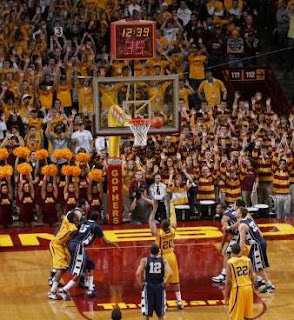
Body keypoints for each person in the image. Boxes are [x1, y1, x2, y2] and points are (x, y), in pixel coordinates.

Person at [58, 211, 119, 300]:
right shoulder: (96, 226)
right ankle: (64, 290)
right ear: (98, 219)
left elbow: (73, 232)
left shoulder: (83, 222)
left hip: (73, 244)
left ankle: (90, 289)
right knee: (79, 273)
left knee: (90, 264)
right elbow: (105, 241)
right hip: (78, 246)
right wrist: (114, 244)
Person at [148, 202, 184, 309]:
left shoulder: (159, 233)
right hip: (172, 256)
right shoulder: (173, 230)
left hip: (163, 257)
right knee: (176, 280)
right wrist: (171, 207)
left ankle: (163, 303)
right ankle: (179, 301)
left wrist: (154, 210)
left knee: (162, 281)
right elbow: (174, 219)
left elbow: (150, 221)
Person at [237, 207, 275, 293]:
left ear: (240, 214)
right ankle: (260, 280)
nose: (235, 212)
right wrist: (261, 238)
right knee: (251, 262)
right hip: (259, 242)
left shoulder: (242, 225)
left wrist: (239, 253)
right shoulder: (249, 218)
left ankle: (269, 285)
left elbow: (242, 240)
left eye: (237, 211)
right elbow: (257, 229)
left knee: (258, 267)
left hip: (257, 244)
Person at [48, 208, 82, 300]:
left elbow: (65, 215)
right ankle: (52, 291)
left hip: (61, 244)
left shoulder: (66, 218)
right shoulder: (73, 228)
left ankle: (53, 280)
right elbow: (72, 238)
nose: (79, 218)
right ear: (74, 219)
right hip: (57, 245)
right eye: (78, 217)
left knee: (65, 266)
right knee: (61, 268)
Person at [212, 199, 246, 283]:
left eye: (218, 208)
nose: (216, 210)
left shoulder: (224, 217)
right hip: (241, 233)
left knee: (227, 253)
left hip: (239, 233)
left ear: (222, 209)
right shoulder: (231, 211)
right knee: (236, 254)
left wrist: (222, 245)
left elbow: (225, 233)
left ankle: (224, 275)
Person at [136, 244, 172, 320]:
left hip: (149, 286)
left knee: (147, 313)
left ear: (150, 251)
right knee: (160, 314)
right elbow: (170, 273)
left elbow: (138, 273)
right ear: (159, 251)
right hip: (159, 287)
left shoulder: (145, 260)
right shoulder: (163, 260)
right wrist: (165, 283)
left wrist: (141, 284)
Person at [224, 243, 254, 320]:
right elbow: (252, 276)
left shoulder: (230, 262)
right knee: (247, 316)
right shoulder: (248, 260)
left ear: (232, 252)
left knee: (235, 316)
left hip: (238, 289)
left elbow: (228, 281)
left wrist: (226, 295)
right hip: (249, 288)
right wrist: (252, 288)